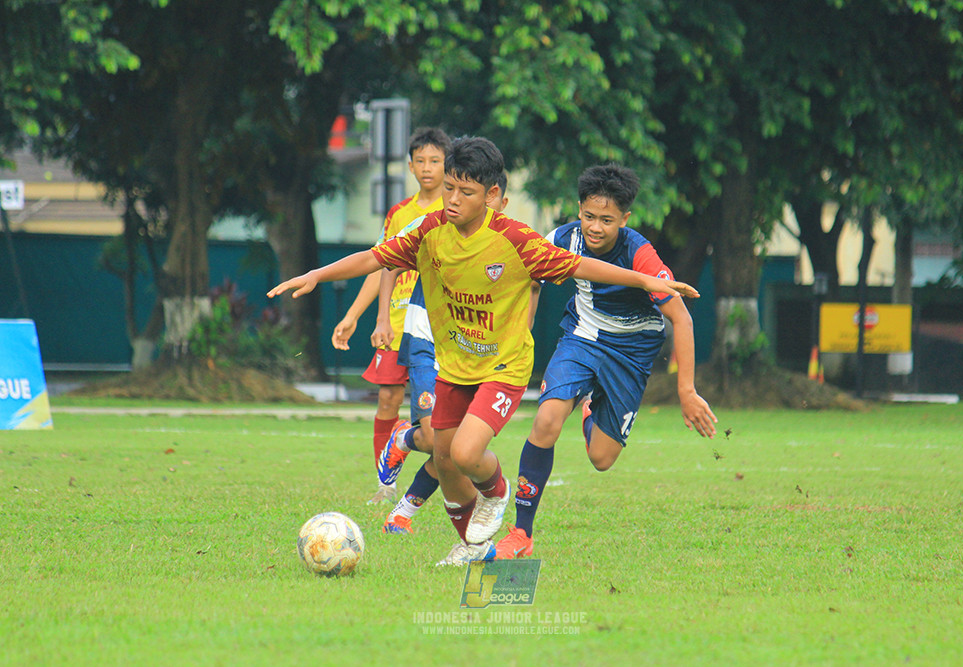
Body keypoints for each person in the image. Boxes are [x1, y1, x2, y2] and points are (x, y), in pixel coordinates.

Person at [267, 137, 700, 566]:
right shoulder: (428, 231)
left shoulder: (515, 239)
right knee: (445, 458)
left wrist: (644, 281)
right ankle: (472, 546)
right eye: (450, 188)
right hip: (455, 364)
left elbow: (577, 265)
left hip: (505, 365)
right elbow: (374, 258)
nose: (452, 199)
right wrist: (316, 274)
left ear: (493, 196)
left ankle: (497, 494)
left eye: (465, 192)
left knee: (467, 453)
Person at [494, 163, 718, 560]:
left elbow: (680, 317)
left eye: (607, 220)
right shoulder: (561, 238)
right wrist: (522, 332)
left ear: (625, 219)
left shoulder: (638, 251)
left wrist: (687, 391)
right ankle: (521, 533)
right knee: (546, 421)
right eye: (589, 217)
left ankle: (590, 409)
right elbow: (529, 277)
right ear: (579, 209)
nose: (596, 227)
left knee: (601, 459)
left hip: (632, 352)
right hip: (583, 337)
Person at [377, 174, 510, 535]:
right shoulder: (437, 230)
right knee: (442, 444)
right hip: (427, 339)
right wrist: (381, 317)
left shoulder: (506, 245)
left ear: (498, 202)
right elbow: (384, 259)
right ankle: (407, 442)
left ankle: (402, 509)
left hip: (475, 355)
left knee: (454, 451)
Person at [329, 127, 451, 504]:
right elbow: (381, 265)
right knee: (386, 397)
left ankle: (441, 469)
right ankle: (385, 485)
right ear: (410, 166)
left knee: (438, 410)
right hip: (399, 319)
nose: (428, 168)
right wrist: (359, 316)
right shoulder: (400, 214)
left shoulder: (455, 208)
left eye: (435, 161)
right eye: (421, 161)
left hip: (440, 323)